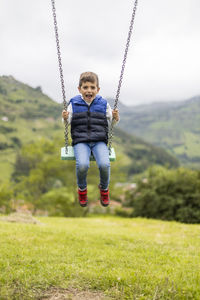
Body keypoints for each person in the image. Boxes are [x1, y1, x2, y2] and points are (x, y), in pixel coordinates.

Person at [62, 71, 119, 207]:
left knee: (105, 165)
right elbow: (67, 121)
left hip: (99, 141)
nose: (89, 90)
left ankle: (104, 189)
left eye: (92, 87)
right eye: (85, 87)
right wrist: (65, 117)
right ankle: (82, 189)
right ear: (79, 89)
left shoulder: (103, 103)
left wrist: (116, 117)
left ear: (97, 89)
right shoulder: (74, 103)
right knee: (82, 165)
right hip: (81, 141)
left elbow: (112, 122)